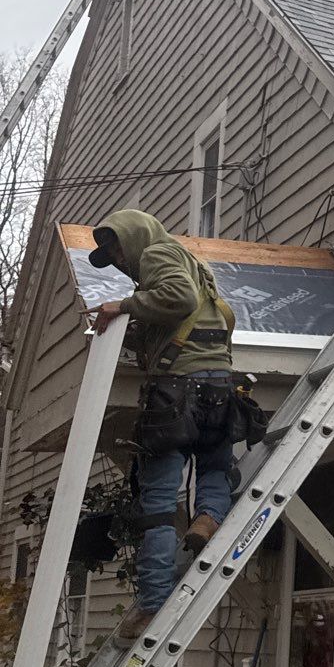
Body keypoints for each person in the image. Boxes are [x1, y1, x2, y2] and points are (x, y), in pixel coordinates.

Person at [90, 211, 243, 638]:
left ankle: (152, 605)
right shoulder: (193, 264)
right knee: (214, 464)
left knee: (158, 505)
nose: (118, 259)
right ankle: (208, 518)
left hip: (177, 390)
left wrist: (122, 306)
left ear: (135, 236)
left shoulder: (157, 255)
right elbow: (183, 314)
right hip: (218, 383)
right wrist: (130, 329)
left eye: (117, 247)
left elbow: (179, 299)